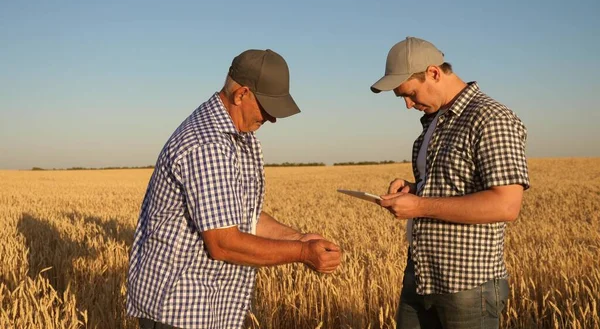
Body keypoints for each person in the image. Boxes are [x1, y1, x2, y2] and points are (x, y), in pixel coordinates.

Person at [127, 49, 342, 329]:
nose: (272, 119)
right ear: (241, 94)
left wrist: (300, 238)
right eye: (267, 108)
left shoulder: (237, 136)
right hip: (179, 311)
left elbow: (241, 216)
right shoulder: (208, 145)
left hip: (207, 308)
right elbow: (223, 242)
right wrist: (303, 253)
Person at [370, 37, 530, 329]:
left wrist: (420, 205)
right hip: (420, 276)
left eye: (411, 94)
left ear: (433, 73)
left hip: (468, 286)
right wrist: (413, 188)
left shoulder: (490, 118)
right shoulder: (435, 121)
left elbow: (506, 204)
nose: (408, 105)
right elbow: (450, 187)